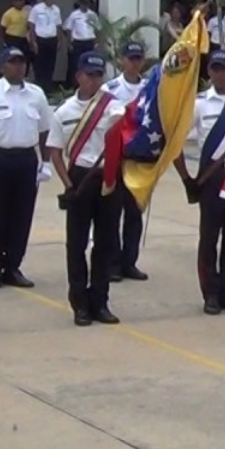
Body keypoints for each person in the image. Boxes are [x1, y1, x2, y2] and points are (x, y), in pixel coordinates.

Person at [173, 50, 225, 314]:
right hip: (210, 178)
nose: (220, 73)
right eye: (215, 68)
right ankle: (210, 293)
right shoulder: (199, 104)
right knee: (209, 238)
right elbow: (175, 142)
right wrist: (186, 177)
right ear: (209, 72)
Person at [46, 51, 125, 326]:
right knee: (77, 244)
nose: (93, 80)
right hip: (79, 176)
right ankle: (80, 304)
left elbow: (124, 129)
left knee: (105, 243)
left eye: (98, 75)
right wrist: (68, 184)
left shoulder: (113, 107)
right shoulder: (64, 112)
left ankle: (100, 301)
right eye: (89, 75)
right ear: (78, 76)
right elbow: (54, 152)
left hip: (108, 177)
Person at [0, 47, 53, 289]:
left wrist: (46, 162)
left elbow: (44, 130)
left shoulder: (36, 94)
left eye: (22, 62)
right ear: (2, 66)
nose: (19, 66)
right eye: (13, 62)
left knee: (22, 214)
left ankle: (14, 266)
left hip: (26, 159)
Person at [103, 42, 149, 282]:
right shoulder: (109, 89)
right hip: (117, 158)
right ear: (122, 61)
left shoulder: (150, 89)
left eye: (138, 58)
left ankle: (129, 262)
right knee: (112, 213)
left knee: (134, 213)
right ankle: (111, 263)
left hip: (140, 159)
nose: (134, 63)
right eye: (130, 58)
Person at [28, 0, 63, 91]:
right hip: (40, 39)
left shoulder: (56, 9)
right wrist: (33, 41)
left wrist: (59, 40)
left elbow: (58, 26)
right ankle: (39, 87)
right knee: (39, 65)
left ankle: (48, 88)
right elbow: (31, 26)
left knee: (50, 65)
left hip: (52, 39)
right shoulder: (37, 9)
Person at [63, 0, 99, 89]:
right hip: (78, 42)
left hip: (89, 42)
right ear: (80, 4)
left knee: (89, 65)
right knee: (76, 65)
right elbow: (68, 29)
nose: (84, 5)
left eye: (86, 3)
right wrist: (69, 43)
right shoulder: (74, 15)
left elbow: (98, 29)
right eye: (83, 3)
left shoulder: (93, 15)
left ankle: (89, 85)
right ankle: (76, 86)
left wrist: (97, 42)